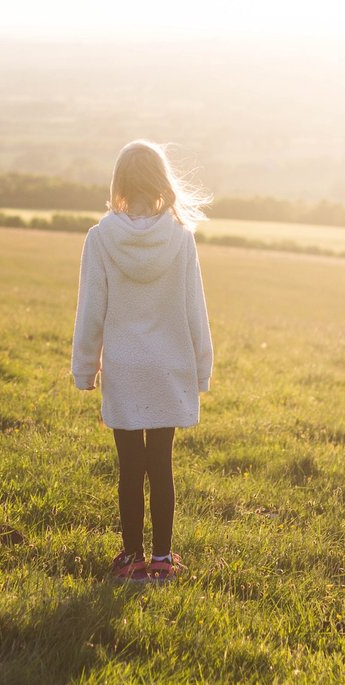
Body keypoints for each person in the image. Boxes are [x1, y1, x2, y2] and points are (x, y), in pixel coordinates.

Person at [71, 140, 214, 584]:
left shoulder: (101, 238)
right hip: (169, 367)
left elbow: (91, 308)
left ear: (120, 185)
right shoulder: (181, 239)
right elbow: (196, 311)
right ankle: (163, 559)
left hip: (125, 369)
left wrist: (84, 367)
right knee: (162, 464)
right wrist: (203, 367)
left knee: (130, 466)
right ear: (161, 184)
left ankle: (131, 556)